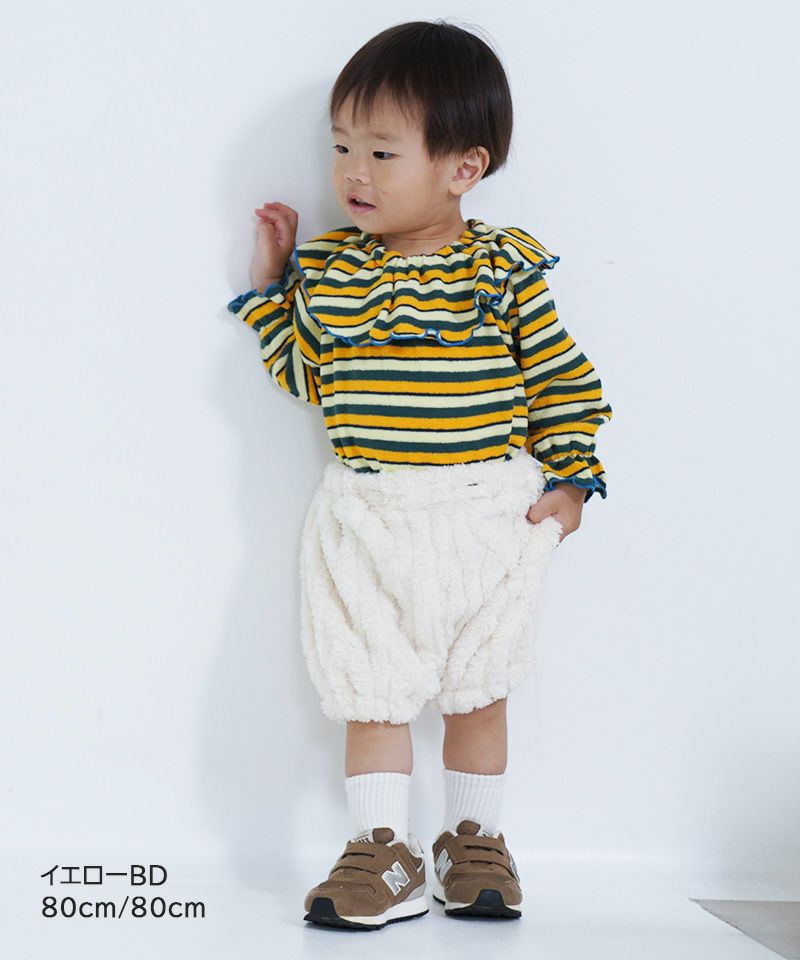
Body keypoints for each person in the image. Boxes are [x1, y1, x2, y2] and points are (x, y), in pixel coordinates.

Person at [227, 18, 613, 931]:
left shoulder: (500, 271)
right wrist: (272, 290)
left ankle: (474, 840)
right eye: (341, 147)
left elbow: (561, 381)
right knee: (371, 686)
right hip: (367, 514)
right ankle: (381, 852)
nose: (353, 173)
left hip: (485, 511)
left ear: (462, 168)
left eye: (382, 152)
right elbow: (309, 379)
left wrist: (571, 483)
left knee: (480, 686)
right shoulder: (333, 273)